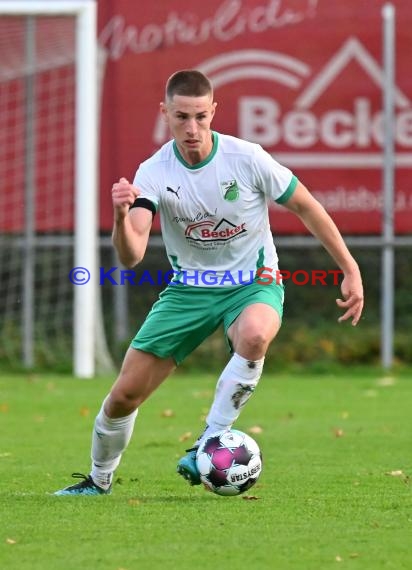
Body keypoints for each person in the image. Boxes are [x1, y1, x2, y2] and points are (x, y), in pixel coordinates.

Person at [54, 69, 363, 496]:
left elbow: (307, 207)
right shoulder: (153, 172)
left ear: (214, 111)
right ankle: (98, 480)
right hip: (188, 290)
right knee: (123, 397)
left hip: (253, 282)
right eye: (181, 117)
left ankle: (206, 441)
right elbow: (131, 255)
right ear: (164, 113)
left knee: (254, 335)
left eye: (201, 116)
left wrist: (350, 268)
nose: (192, 128)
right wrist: (121, 217)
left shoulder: (247, 158)